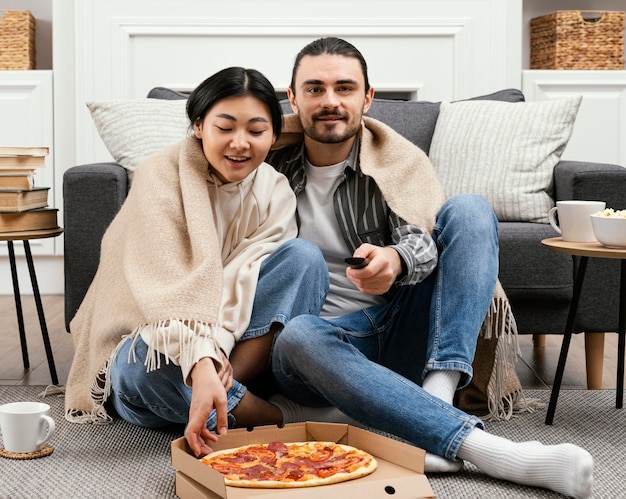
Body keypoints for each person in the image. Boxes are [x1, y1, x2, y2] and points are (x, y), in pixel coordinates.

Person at [267, 37, 593, 498]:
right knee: (299, 332)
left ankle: (435, 394)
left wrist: (396, 260)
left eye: (344, 88)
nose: (331, 102)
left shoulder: (395, 159)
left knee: (470, 209)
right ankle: (488, 451)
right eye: (315, 89)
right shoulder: (262, 164)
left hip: (396, 328)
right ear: (293, 98)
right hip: (313, 353)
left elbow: (420, 235)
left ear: (368, 97)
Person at [63, 66, 326, 458]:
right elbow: (160, 295)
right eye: (225, 127)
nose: (240, 143)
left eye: (256, 131)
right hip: (155, 338)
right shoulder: (160, 178)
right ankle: (278, 415)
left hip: (232, 351)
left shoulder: (274, 189)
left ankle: (217, 397)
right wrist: (195, 361)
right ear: (199, 126)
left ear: (273, 136)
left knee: (305, 257)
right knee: (139, 368)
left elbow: (245, 278)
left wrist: (213, 362)